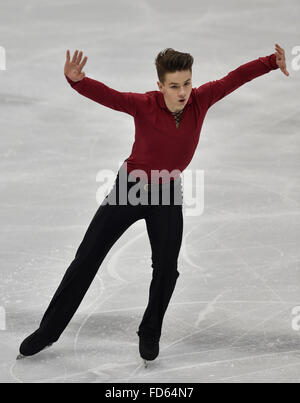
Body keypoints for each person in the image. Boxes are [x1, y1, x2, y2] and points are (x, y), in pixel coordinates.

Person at [17, 44, 288, 366]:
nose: (183, 91)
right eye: (174, 86)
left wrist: (271, 62)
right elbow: (112, 97)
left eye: (187, 83)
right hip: (129, 190)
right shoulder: (144, 104)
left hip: (167, 194)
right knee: (87, 257)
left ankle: (150, 332)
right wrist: (77, 82)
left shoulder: (202, 99)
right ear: (160, 86)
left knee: (166, 269)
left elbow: (235, 78)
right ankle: (48, 331)